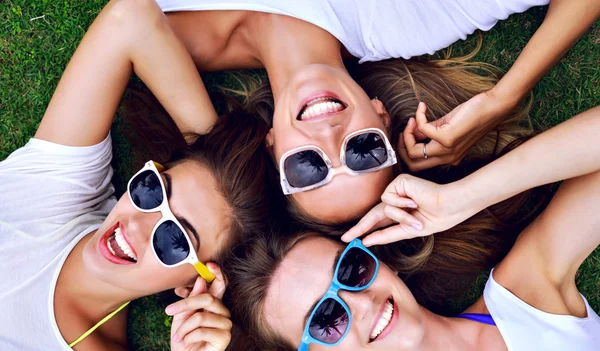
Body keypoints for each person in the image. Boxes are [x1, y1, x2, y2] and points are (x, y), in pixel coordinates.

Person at [166, 105, 600, 351]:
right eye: (325, 319)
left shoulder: (527, 294)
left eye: (351, 270)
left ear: (381, 262)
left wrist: (461, 199)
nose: (361, 303)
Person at [0, 0, 271, 351]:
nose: (136, 226)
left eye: (175, 238)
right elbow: (130, 18)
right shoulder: (64, 189)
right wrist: (210, 150)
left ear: (195, 284)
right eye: (152, 190)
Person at [153, 0, 599, 225]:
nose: (329, 138)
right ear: (382, 117)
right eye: (363, 152)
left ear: (270, 145)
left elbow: (126, 18)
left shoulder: (172, 34)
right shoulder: (402, 23)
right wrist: (504, 97)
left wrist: (212, 145)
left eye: (308, 167)